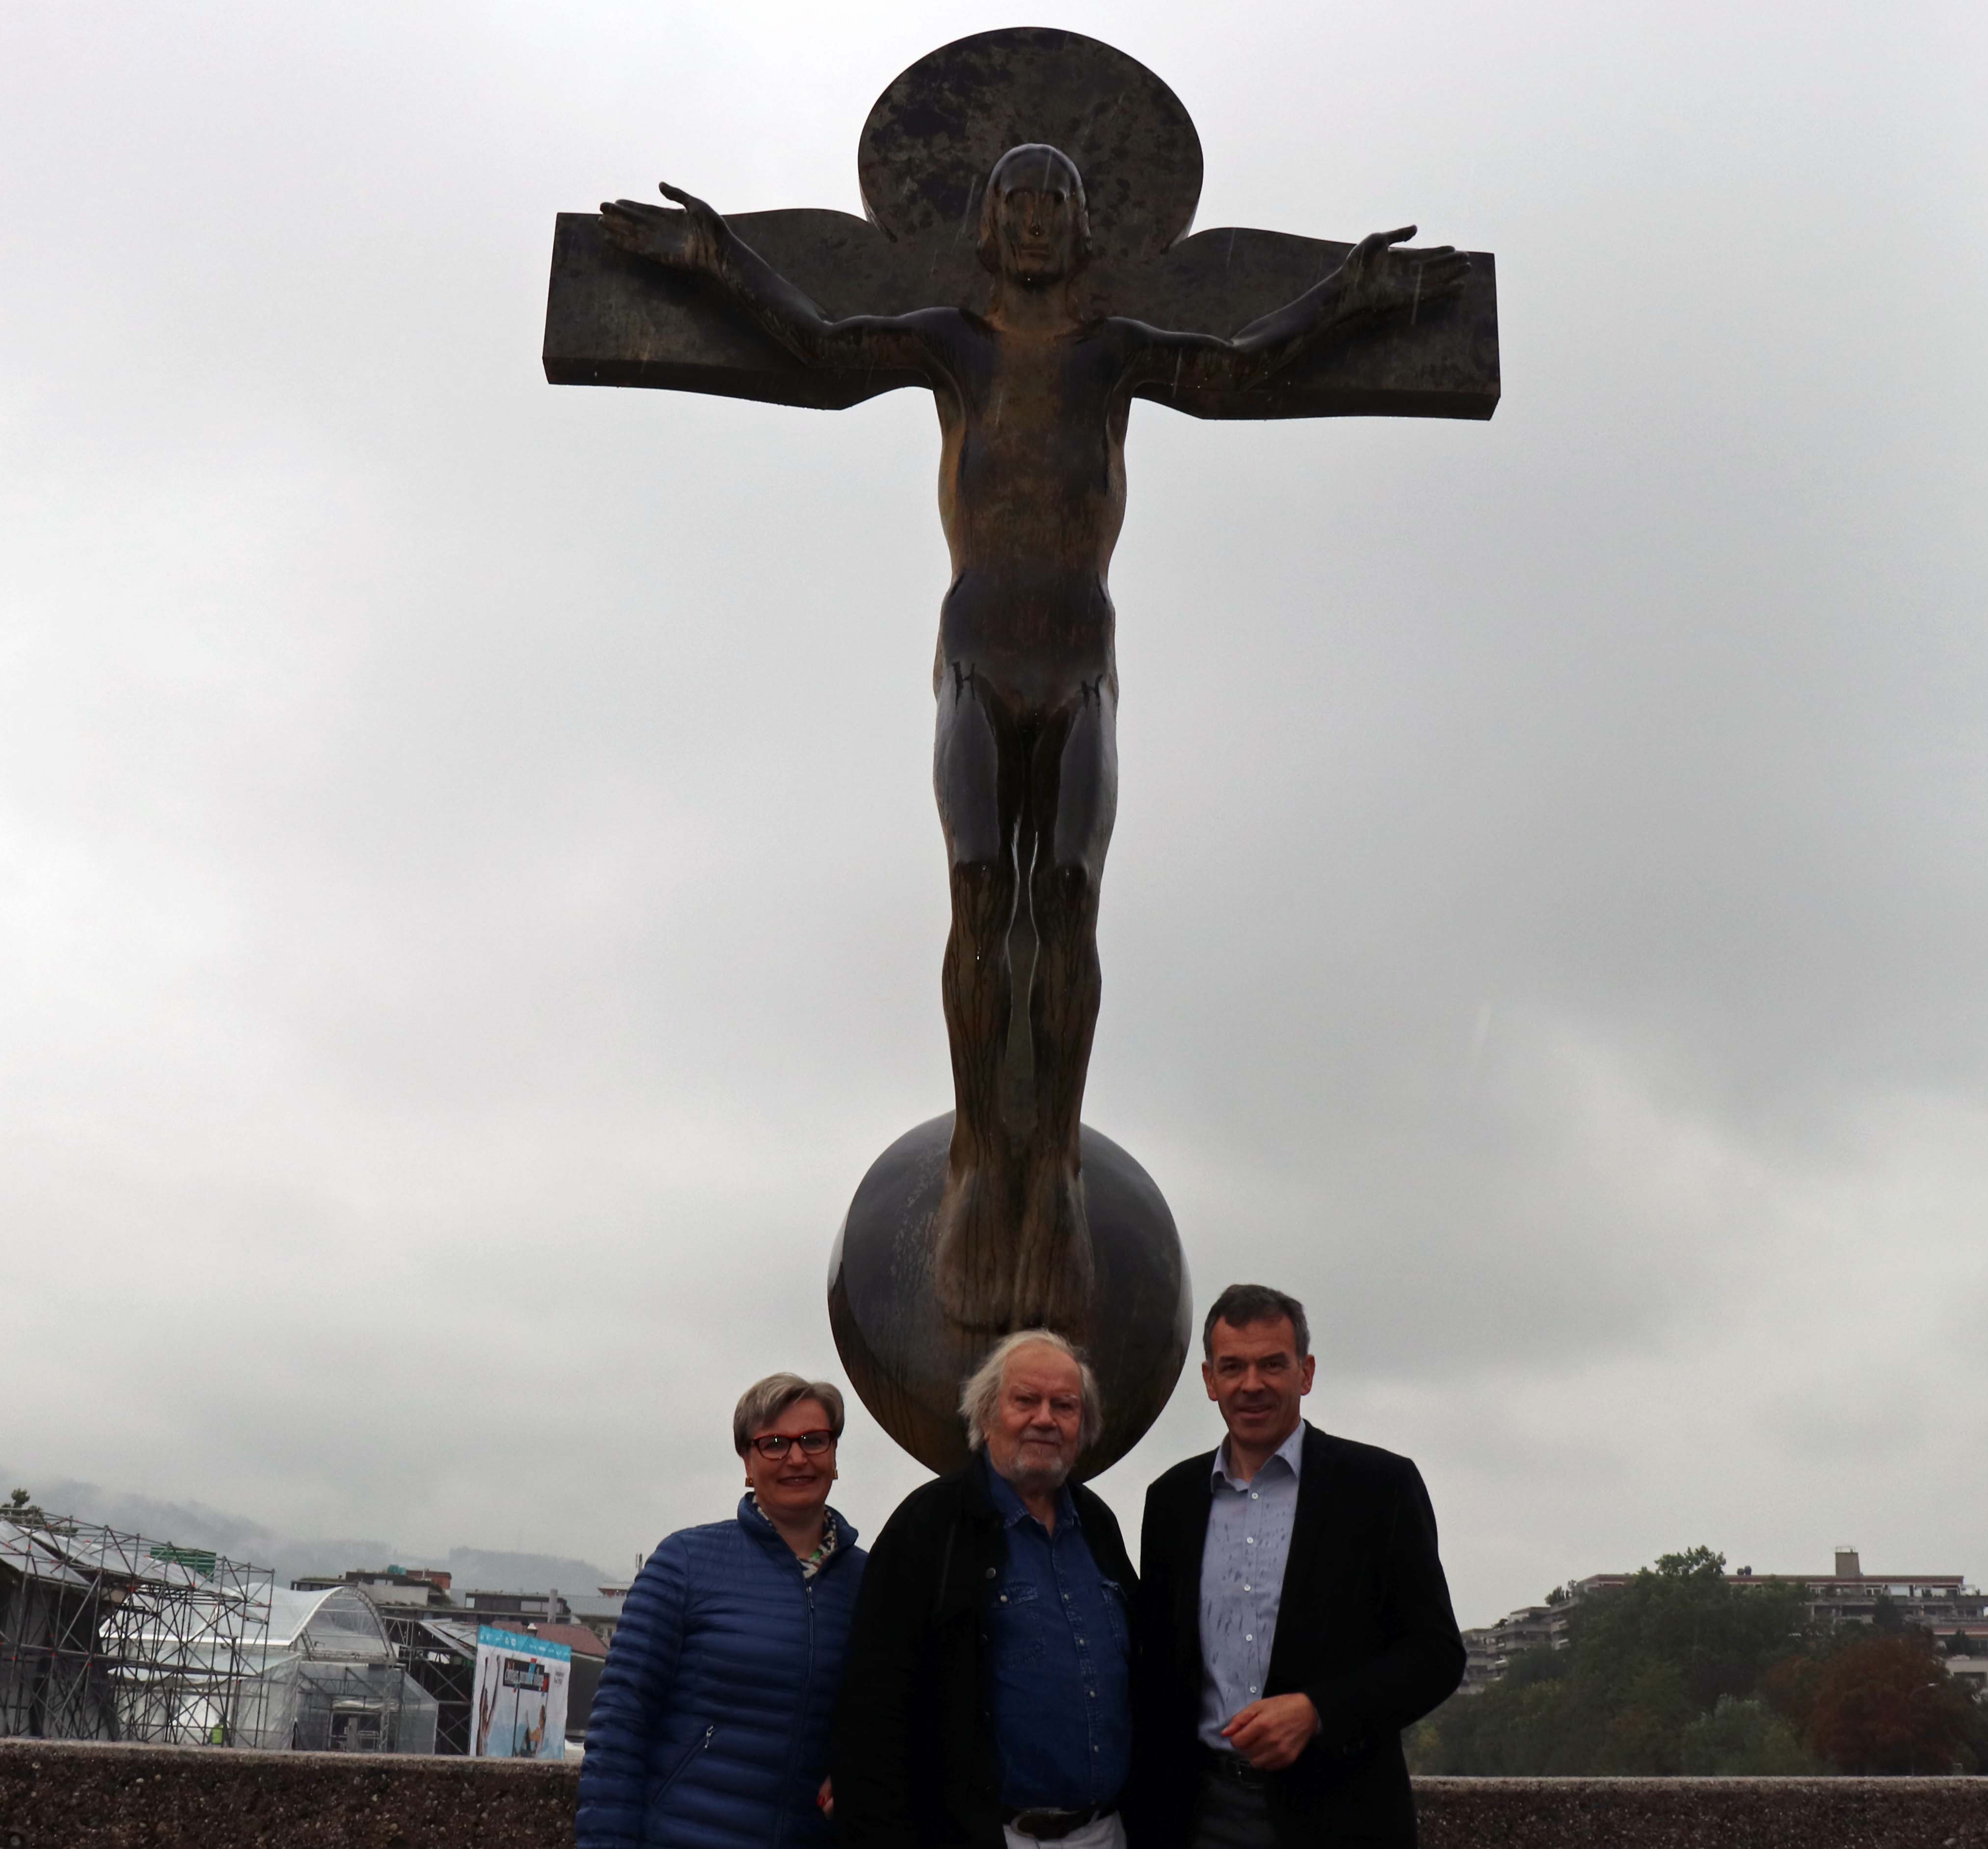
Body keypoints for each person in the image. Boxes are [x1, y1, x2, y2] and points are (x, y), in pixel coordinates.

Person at [597, 152, 1469, 1338]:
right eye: (1017, 206)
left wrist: (1349, 297)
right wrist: (719, 263)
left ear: (1079, 228)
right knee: (976, 893)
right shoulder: (952, 342)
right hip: (977, 648)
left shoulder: (1111, 352)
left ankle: (1047, 1162)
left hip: (1076, 657)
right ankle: (977, 1154)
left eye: (1057, 205)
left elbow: (1234, 367)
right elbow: (819, 343)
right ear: (989, 228)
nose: (1037, 225)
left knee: (1060, 898)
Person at [1128, 1287, 1463, 1849]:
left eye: (1272, 1364)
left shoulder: (1379, 1487)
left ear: (1305, 1373)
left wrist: (1318, 1711)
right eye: (1232, 1367)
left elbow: (1436, 1655)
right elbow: (1158, 1669)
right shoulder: (1171, 1502)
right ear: (1209, 1381)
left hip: (1341, 1817)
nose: (1251, 1384)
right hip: (1198, 1814)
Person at [833, 1330, 1136, 1849]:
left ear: (1082, 1425)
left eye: (1064, 1405)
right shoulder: (929, 1525)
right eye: (1025, 1400)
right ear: (986, 1411)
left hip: (1105, 1832)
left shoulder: (1097, 1523)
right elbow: (872, 1714)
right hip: (986, 1834)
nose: (1045, 1418)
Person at [578, 1374, 866, 1849]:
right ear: (747, 1462)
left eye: (814, 1440)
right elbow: (620, 1725)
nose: (797, 1457)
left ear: (834, 1455)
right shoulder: (685, 1562)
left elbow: (903, 1717)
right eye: (774, 1443)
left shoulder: (871, 1582)